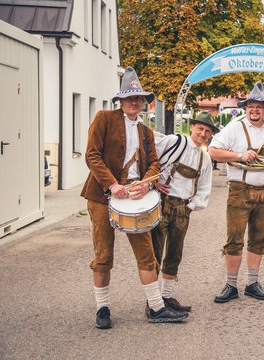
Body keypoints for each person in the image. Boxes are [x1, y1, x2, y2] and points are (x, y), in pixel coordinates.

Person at [81, 66, 188, 329]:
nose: (134, 102)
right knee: (103, 255)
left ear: (143, 102)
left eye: (139, 98)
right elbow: (92, 155)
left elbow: (154, 164)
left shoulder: (146, 132)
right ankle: (102, 309)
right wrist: (112, 185)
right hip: (102, 196)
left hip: (135, 196)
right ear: (121, 100)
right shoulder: (104, 118)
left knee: (146, 254)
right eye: (130, 97)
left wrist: (147, 184)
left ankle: (156, 307)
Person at [208, 81, 264, 303]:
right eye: (251, 106)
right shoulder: (235, 127)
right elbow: (213, 151)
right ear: (245, 109)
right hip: (240, 189)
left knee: (259, 239)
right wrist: (239, 155)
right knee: (234, 239)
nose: (254, 110)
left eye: (259, 106)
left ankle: (252, 283)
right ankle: (231, 285)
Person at [150, 111, 217, 313]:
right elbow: (149, 157)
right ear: (192, 128)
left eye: (207, 131)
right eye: (200, 129)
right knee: (155, 253)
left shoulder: (205, 158)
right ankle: (153, 301)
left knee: (174, 253)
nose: (203, 134)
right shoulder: (174, 141)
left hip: (183, 208)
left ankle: (166, 297)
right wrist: (152, 182)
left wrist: (190, 206)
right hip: (162, 203)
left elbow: (205, 186)